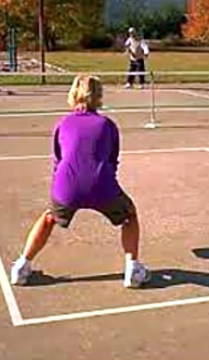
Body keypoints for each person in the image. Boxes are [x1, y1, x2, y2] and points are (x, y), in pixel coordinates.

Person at [10, 75, 151, 288]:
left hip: (66, 186)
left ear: (73, 94)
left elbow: (58, 160)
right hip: (102, 186)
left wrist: (63, 189)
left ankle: (22, 265)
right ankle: (133, 269)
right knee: (129, 215)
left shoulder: (63, 124)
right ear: (98, 96)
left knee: (49, 217)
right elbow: (113, 160)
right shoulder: (107, 125)